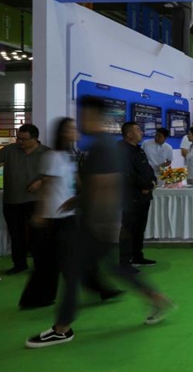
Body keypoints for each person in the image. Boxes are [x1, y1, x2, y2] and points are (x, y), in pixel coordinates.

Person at [26, 96, 173, 349]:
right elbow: (99, 185)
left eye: (82, 115)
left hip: (97, 226)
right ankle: (157, 298)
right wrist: (79, 200)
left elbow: (107, 186)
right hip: (99, 223)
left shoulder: (103, 147)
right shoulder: (102, 145)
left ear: (93, 116)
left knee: (73, 273)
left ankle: (62, 328)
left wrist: (103, 225)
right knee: (114, 269)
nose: (79, 121)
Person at [19, 118, 121, 308]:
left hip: (68, 215)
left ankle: (100, 289)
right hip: (54, 218)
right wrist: (40, 213)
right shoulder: (54, 157)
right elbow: (46, 186)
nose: (76, 131)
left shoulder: (68, 155)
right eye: (72, 128)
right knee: (53, 262)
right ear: (63, 133)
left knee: (64, 259)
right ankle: (36, 299)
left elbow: (76, 183)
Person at [0, 123, 49, 274]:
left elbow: (55, 174)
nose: (19, 142)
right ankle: (19, 264)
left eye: (23, 139)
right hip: (12, 200)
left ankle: (41, 265)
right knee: (16, 234)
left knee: (38, 235)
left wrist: (41, 181)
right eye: (18, 138)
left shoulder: (46, 153)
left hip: (36, 201)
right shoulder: (9, 150)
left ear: (34, 139)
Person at [118, 122, 157, 272]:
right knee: (128, 229)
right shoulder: (122, 151)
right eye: (138, 130)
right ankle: (125, 262)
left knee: (139, 228)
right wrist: (145, 186)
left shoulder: (138, 150)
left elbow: (148, 170)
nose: (141, 132)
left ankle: (137, 256)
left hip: (144, 197)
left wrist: (153, 182)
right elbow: (128, 175)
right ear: (129, 134)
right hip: (131, 197)